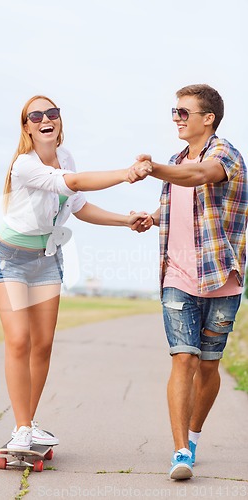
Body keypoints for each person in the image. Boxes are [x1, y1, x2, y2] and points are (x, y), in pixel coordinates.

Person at [0, 94, 150, 451]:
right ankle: (21, 428)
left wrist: (126, 221)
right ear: (27, 128)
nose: (46, 118)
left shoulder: (66, 158)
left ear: (59, 121)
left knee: (43, 345)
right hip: (10, 258)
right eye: (36, 115)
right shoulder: (24, 166)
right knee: (19, 340)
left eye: (52, 112)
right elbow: (74, 184)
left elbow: (79, 205)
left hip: (47, 259)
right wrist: (125, 175)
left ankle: (26, 426)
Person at [131, 84, 248, 480]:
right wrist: (153, 216)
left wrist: (154, 169)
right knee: (184, 357)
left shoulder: (224, 154)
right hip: (177, 276)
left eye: (184, 112)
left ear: (208, 117)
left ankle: (194, 437)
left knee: (209, 366)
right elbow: (177, 202)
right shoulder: (176, 159)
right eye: (175, 112)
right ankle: (180, 451)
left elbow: (199, 176)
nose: (177, 118)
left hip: (221, 277)